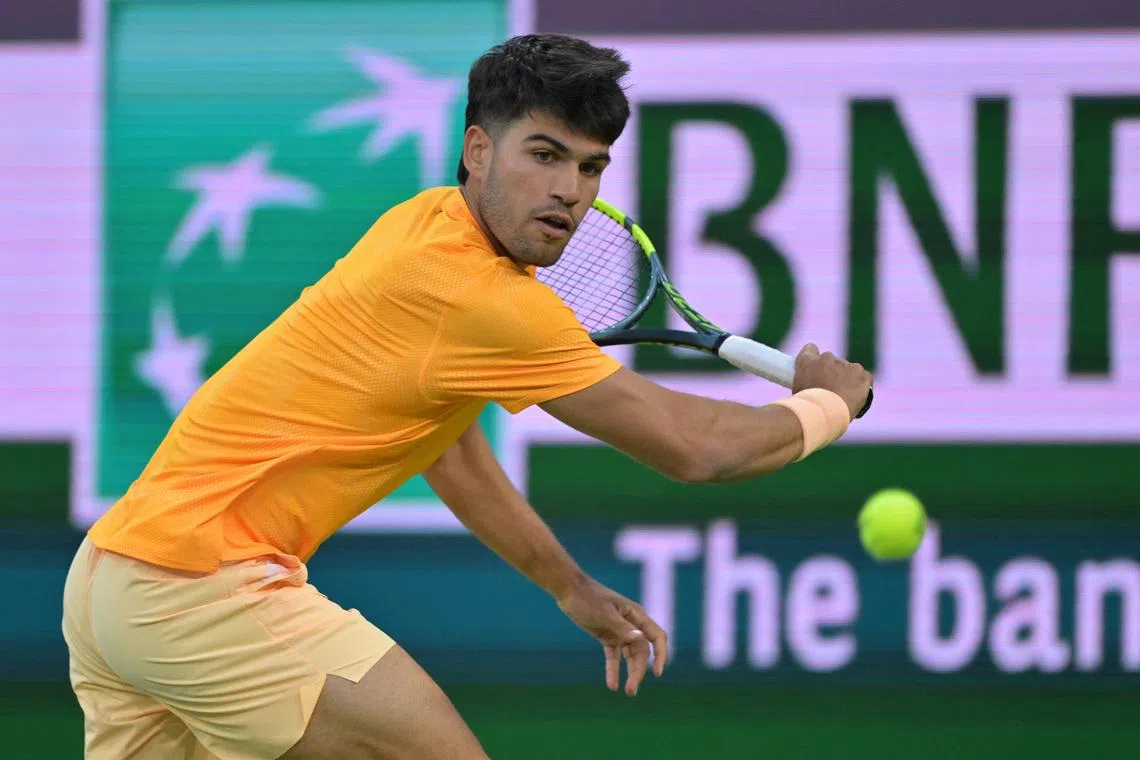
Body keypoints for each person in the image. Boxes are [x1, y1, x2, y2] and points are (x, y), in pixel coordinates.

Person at [61, 33, 871, 759]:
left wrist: (566, 583)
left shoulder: (423, 222)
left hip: (109, 587)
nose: (570, 191)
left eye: (590, 167)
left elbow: (443, 442)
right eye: (544, 154)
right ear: (478, 149)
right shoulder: (484, 302)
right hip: (197, 588)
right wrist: (826, 406)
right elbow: (696, 448)